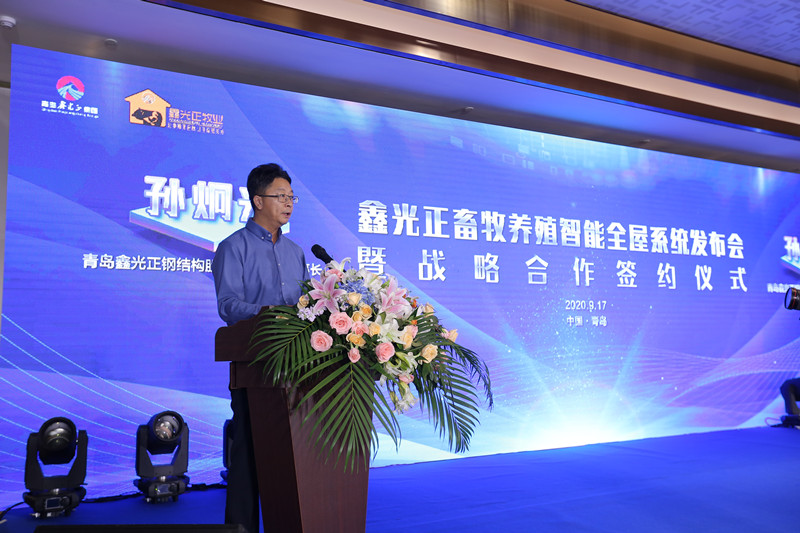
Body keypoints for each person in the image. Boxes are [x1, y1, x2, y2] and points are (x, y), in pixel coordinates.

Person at [211, 163, 308, 533]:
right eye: (281, 196)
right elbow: (228, 305)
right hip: (256, 368)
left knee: (297, 457)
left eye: (291, 197)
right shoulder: (233, 247)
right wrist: (268, 313)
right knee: (249, 456)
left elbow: (308, 306)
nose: (289, 203)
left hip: (298, 368)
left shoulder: (297, 252)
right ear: (258, 200)